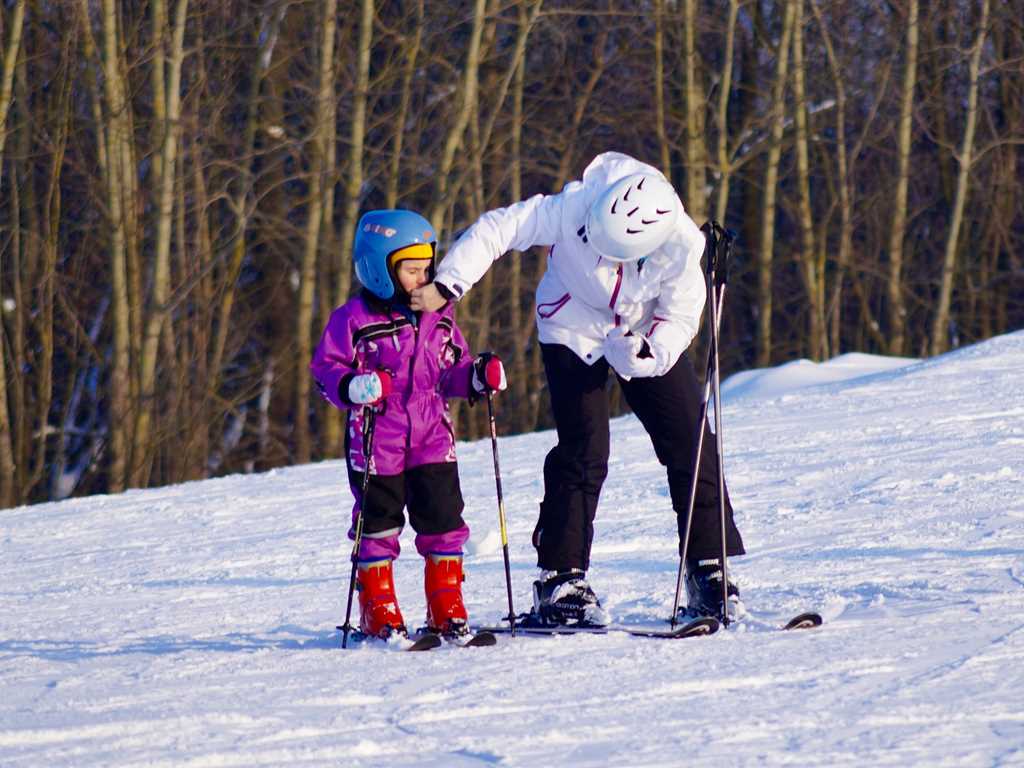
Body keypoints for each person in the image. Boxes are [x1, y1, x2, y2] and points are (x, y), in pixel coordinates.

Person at [410, 151, 745, 626]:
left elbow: (683, 316)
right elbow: (500, 228)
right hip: (571, 323)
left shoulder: (683, 248)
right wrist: (449, 283)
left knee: (691, 442)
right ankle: (560, 579)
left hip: (641, 329)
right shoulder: (577, 205)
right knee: (585, 448)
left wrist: (651, 352)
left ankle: (708, 568)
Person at [311, 209, 507, 639]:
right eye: (411, 270)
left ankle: (446, 605)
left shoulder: (438, 316)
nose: (423, 279)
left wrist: (476, 376)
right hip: (377, 441)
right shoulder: (353, 320)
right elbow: (326, 370)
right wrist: (352, 386)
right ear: (379, 270)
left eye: (426, 269)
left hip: (433, 436)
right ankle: (377, 609)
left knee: (443, 519)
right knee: (378, 523)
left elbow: (450, 370)